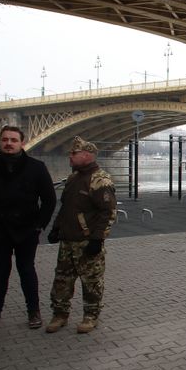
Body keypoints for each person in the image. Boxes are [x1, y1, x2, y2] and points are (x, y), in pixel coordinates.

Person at [0, 126, 57, 335]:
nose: (9, 143)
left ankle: (34, 312)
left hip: (26, 229)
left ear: (22, 143)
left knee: (27, 270)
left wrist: (39, 225)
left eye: (13, 140)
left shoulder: (36, 167)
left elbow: (49, 200)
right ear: (0, 141)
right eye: (5, 139)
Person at [46, 136, 116, 334]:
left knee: (91, 282)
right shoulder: (73, 178)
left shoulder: (99, 180)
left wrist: (97, 238)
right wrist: (56, 228)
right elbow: (66, 207)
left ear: (86, 155)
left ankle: (90, 316)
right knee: (62, 281)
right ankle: (59, 314)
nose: (70, 156)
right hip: (67, 240)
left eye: (73, 153)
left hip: (86, 242)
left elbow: (108, 212)